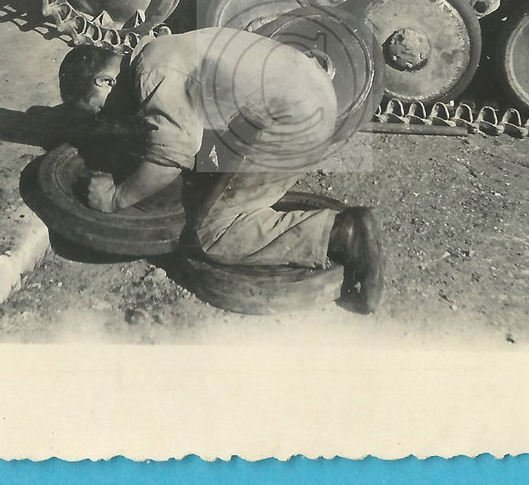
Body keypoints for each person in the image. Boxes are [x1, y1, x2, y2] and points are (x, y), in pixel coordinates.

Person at [58, 26, 384, 313]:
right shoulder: (161, 49)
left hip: (292, 119)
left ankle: (342, 232)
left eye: (98, 109)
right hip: (313, 95)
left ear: (105, 81)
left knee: (214, 234)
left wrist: (115, 198)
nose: (105, 117)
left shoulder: (152, 73)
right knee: (211, 184)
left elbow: (170, 157)